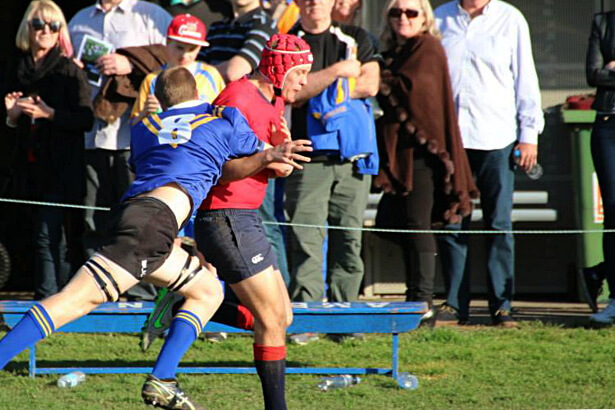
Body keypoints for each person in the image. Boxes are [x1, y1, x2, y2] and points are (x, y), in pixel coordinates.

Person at [0, 66, 312, 409]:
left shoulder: (143, 127)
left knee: (207, 291)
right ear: (199, 93)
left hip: (139, 216)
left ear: (158, 99)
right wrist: (274, 146)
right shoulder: (221, 122)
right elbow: (274, 160)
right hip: (152, 225)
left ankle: (162, 379)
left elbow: (161, 155)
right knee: (73, 302)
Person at [142, 33, 313, 410]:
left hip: (245, 217)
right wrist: (269, 158)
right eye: (299, 72)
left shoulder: (273, 100)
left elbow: (262, 158)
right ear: (279, 68)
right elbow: (218, 167)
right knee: (270, 319)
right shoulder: (237, 98)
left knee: (281, 317)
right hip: (224, 216)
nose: (303, 81)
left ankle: (182, 300)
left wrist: (276, 162)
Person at [434, 0, 544, 327]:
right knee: (453, 223)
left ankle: (502, 306)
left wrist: (529, 135)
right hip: (453, 141)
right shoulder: (440, 18)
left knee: (498, 225)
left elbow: (525, 79)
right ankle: (455, 304)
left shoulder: (510, 19)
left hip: (497, 137)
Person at [285, 0, 380, 344]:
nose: (315, 4)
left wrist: (318, 93)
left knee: (349, 240)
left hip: (351, 158)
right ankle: (307, 318)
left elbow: (370, 84)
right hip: (306, 157)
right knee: (306, 240)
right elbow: (290, 93)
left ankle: (346, 318)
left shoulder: (355, 36)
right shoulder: (287, 40)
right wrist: (338, 71)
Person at [375, 0, 477, 316]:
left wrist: (375, 77)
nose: (402, 18)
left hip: (424, 154)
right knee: (397, 223)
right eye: (395, 12)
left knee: (418, 225)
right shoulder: (396, 52)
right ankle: (415, 298)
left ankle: (422, 303)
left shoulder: (428, 48)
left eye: (410, 12)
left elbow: (417, 94)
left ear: (424, 18)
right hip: (400, 154)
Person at [69, 0, 172, 301]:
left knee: (137, 220)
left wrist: (131, 62)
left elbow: (179, 59)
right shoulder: (79, 19)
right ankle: (94, 295)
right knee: (94, 219)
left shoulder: (152, 15)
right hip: (94, 135)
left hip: (136, 138)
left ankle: (140, 294)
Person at [3, 0, 93, 299]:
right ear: (26, 28)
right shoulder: (17, 69)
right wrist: (12, 116)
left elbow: (85, 118)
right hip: (28, 168)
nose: (45, 30)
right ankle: (52, 298)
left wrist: (50, 114)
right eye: (38, 24)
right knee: (37, 235)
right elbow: (11, 126)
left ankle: (50, 300)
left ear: (60, 33)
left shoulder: (68, 69)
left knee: (51, 236)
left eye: (53, 25)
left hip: (62, 168)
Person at [131, 13, 224, 123]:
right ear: (168, 42)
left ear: (200, 48)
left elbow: (225, 112)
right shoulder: (152, 79)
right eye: (180, 47)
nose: (184, 55)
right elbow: (133, 126)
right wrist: (144, 113)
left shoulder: (210, 75)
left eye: (192, 49)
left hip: (203, 137)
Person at [583, 9, 615, 325]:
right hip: (609, 123)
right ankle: (614, 296)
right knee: (614, 211)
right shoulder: (604, 21)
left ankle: (597, 272)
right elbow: (593, 75)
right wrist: (605, 71)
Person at [199, 0, 278, 83]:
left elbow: (235, 71)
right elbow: (195, 65)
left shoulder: (265, 25)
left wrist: (202, 75)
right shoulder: (216, 26)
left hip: (238, 94)